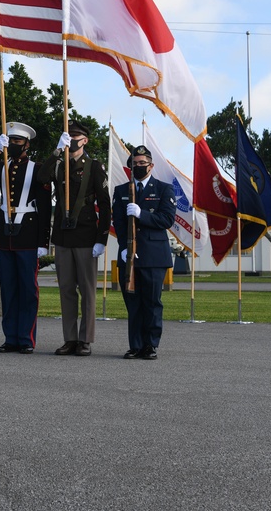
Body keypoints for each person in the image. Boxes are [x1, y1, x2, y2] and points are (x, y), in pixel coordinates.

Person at [37, 120, 110, 357]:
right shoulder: (59, 166)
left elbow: (105, 204)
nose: (73, 140)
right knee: (66, 289)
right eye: (69, 136)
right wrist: (56, 151)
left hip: (87, 234)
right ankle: (69, 338)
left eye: (76, 137)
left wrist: (102, 238)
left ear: (85, 140)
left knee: (87, 290)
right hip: (63, 235)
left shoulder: (94, 166)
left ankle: (85, 339)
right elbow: (41, 177)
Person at [0, 122, 52, 354]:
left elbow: (44, 208)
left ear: (27, 144)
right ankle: (10, 338)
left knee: (28, 291)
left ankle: (26, 338)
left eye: (17, 142)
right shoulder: (2, 164)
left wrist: (44, 242)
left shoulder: (37, 168)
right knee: (9, 290)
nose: (12, 145)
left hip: (28, 235)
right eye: (9, 141)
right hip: (5, 235)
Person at [111, 145, 176, 361]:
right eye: (134, 163)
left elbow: (167, 219)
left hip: (153, 255)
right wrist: (123, 247)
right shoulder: (121, 191)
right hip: (129, 255)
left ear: (151, 165)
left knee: (152, 302)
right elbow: (119, 223)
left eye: (142, 163)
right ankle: (135, 345)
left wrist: (142, 215)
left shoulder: (164, 189)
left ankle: (150, 345)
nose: (138, 166)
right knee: (133, 302)